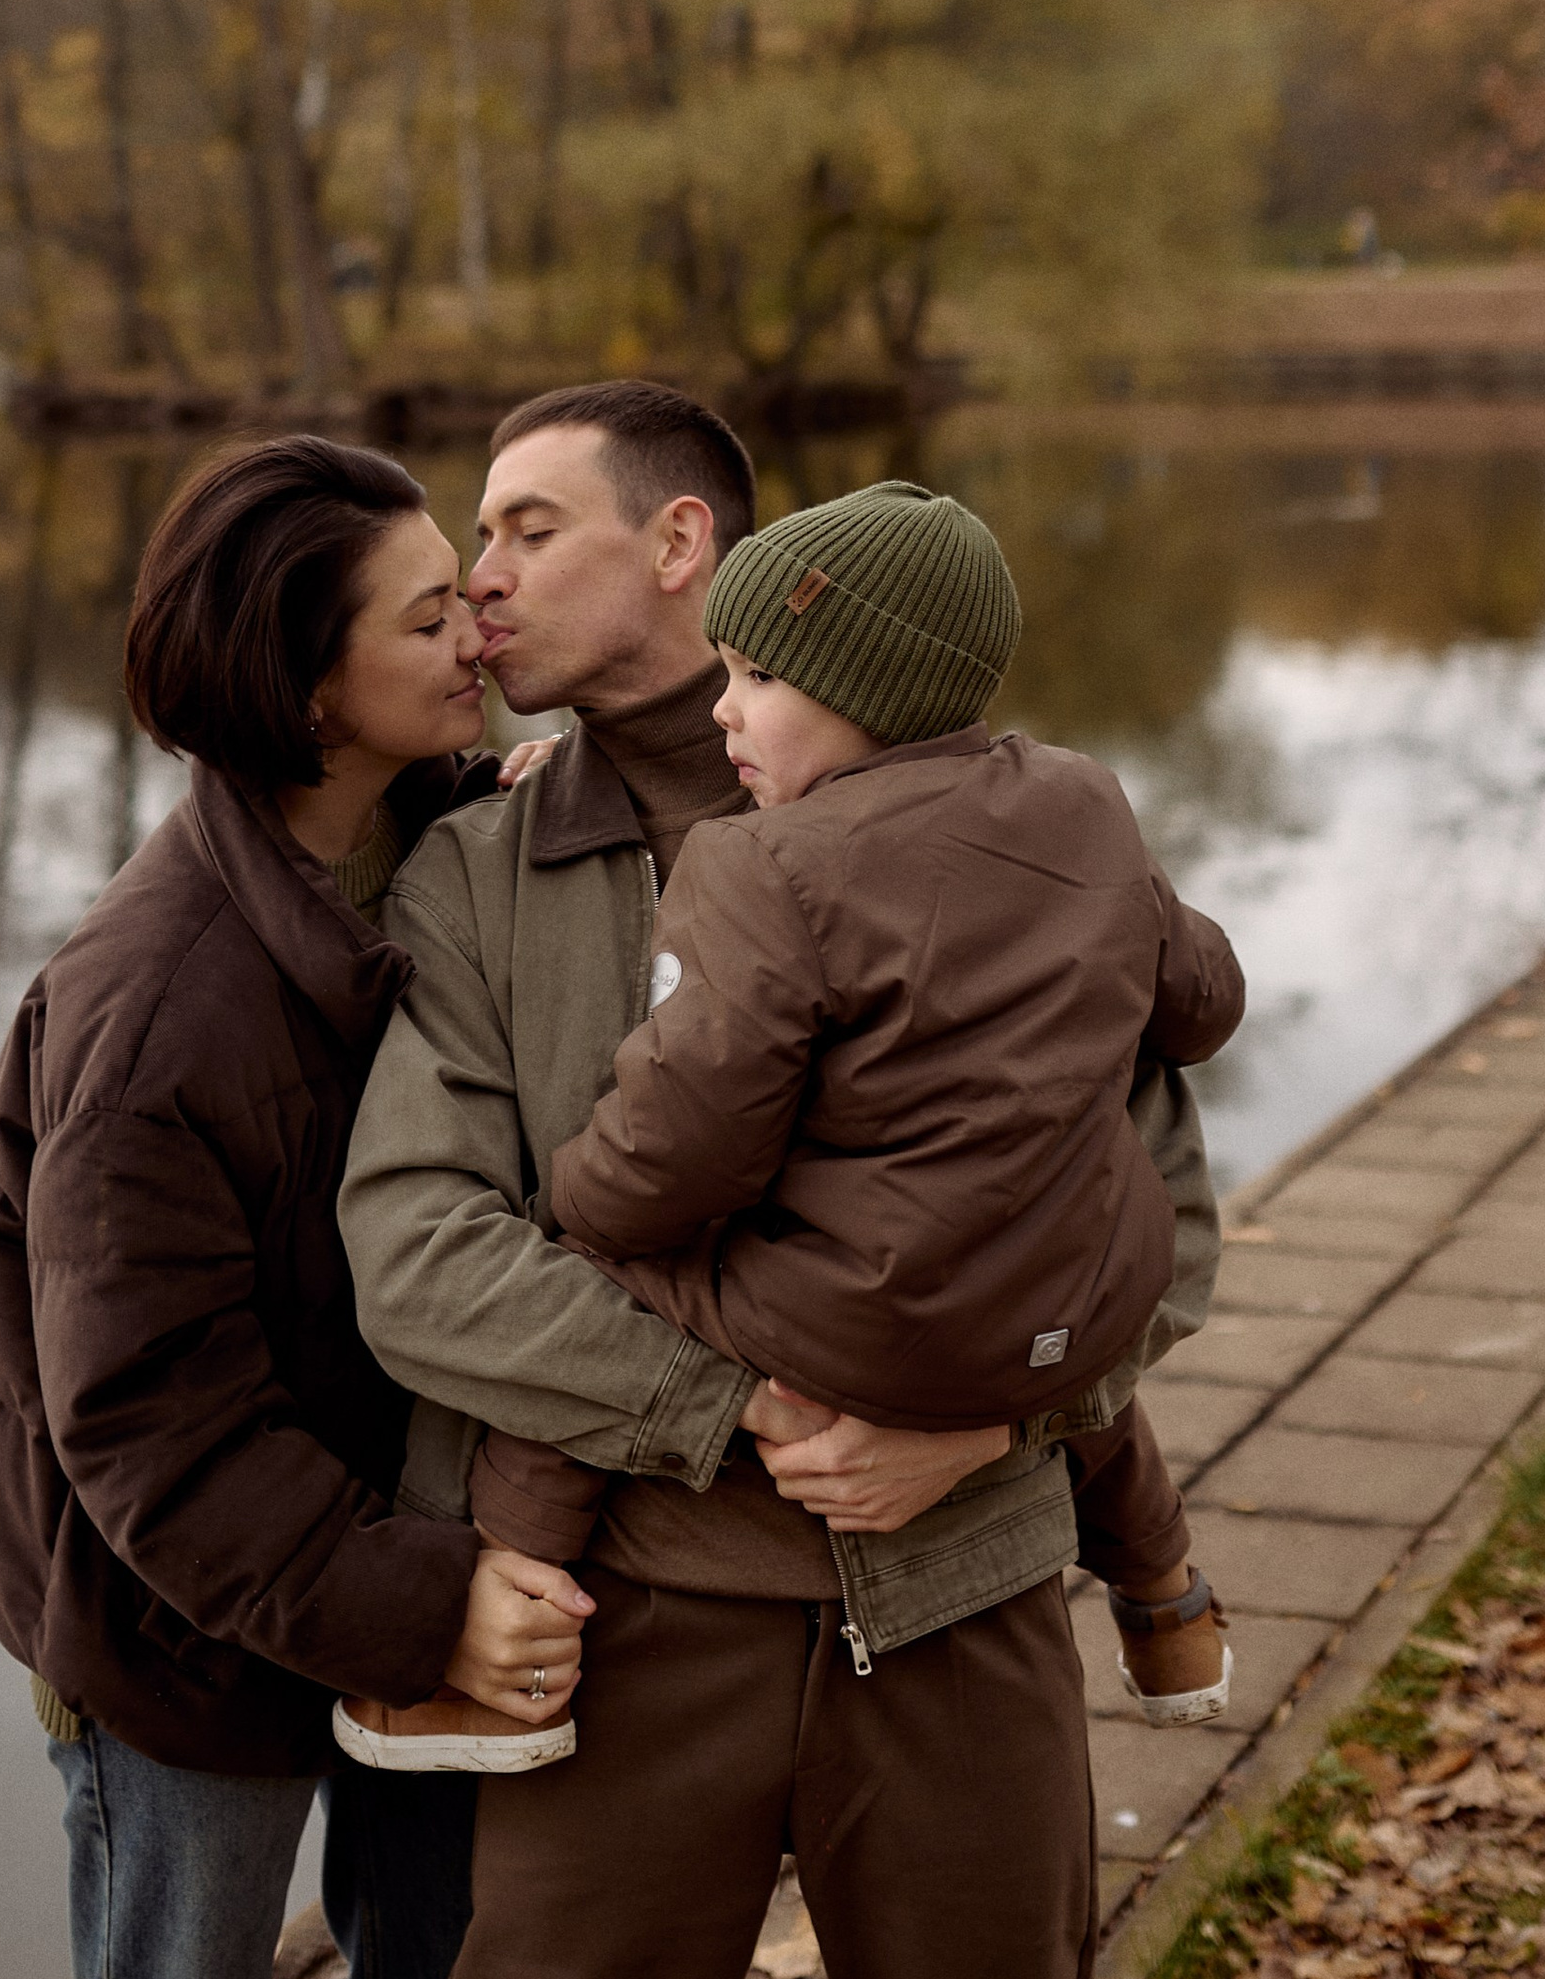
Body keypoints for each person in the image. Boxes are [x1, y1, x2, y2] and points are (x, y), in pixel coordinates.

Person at [335, 384, 1230, 1979]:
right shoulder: (477, 868)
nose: (481, 580)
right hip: (634, 1633)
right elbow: (419, 1250)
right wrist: (735, 1396)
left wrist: (986, 1424)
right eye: (473, 539)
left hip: (965, 1607)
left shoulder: (1009, 828)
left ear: (682, 544)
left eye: (527, 529)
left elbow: (1161, 1225)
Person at [0, 436, 590, 1979]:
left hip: (399, 1554)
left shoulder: (437, 848)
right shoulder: (156, 1012)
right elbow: (148, 1427)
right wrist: (422, 1602)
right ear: (313, 695)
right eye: (431, 614)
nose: (481, 631)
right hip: (179, 1626)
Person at [459, 477, 1241, 1744]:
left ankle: (516, 1601)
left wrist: (580, 1189)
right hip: (1072, 1310)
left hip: (866, 1328)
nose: (724, 708)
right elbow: (1202, 1003)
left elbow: (686, 1140)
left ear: (865, 686)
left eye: (757, 676)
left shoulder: (762, 863)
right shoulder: (1086, 803)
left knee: (603, 1248)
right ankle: (1164, 1594)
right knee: (1062, 1211)